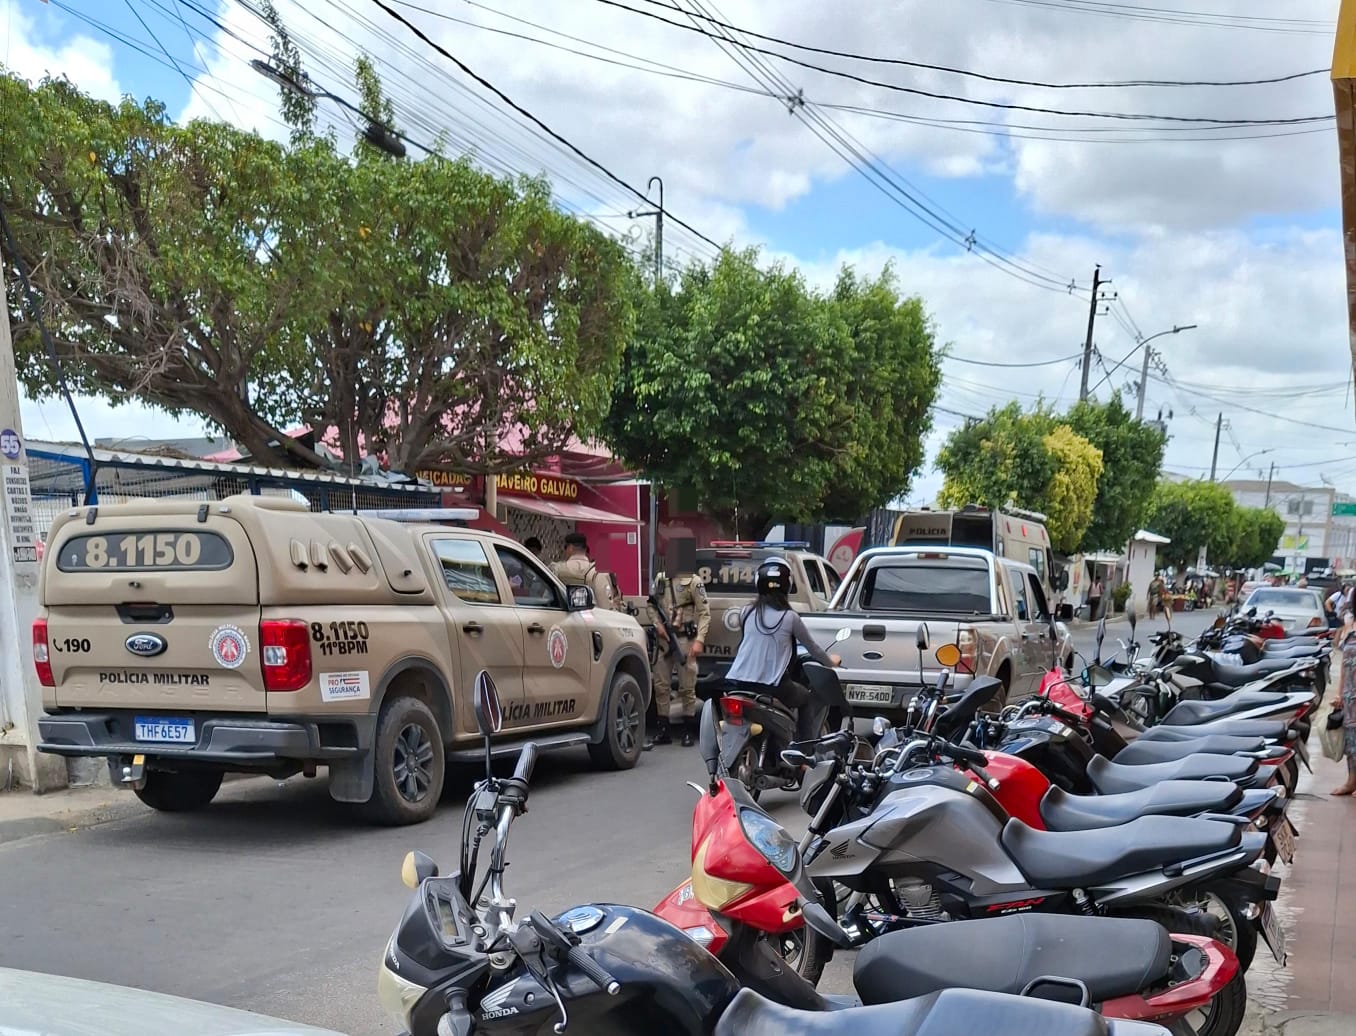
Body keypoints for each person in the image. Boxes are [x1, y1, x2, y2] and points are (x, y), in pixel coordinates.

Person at [726, 559, 842, 767]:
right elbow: (814, 649)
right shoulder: (790, 618)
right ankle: (804, 756)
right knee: (806, 699)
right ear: (787, 586)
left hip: (739, 683)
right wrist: (831, 662)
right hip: (773, 686)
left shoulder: (746, 612)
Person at [645, 564, 710, 747]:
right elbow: (651, 605)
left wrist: (699, 640)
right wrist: (657, 624)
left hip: (684, 640)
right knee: (661, 686)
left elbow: (705, 614)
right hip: (664, 640)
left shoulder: (694, 582)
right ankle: (663, 729)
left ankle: (688, 730)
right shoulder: (661, 579)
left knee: (687, 687)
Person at [552, 532, 616, 610]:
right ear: (585, 549)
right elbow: (606, 606)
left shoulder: (556, 569)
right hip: (592, 616)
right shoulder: (597, 573)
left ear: (570, 548)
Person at [1330, 608, 1356, 795]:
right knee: (1351, 740)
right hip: (1350, 695)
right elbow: (1344, 664)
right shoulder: (1350, 624)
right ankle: (1351, 781)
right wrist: (1339, 694)